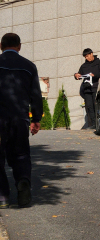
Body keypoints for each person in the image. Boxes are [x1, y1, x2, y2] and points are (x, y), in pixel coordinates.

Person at [0, 33, 42, 208]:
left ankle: (2, 197)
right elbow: (36, 96)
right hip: (20, 118)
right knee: (21, 154)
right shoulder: (29, 66)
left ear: (1, 46)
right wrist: (36, 119)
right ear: (19, 46)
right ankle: (23, 182)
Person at [73, 48, 100, 129]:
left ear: (91, 54)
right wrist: (76, 75)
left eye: (87, 56)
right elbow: (79, 74)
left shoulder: (99, 63)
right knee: (89, 106)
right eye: (85, 57)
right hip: (87, 89)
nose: (87, 58)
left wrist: (94, 75)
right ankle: (94, 124)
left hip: (96, 88)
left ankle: (99, 123)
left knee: (96, 105)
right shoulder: (83, 66)